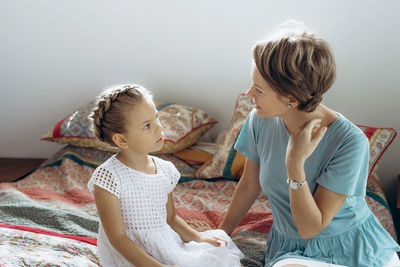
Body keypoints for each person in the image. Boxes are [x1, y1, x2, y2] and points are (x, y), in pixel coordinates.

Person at [218, 21, 400, 267]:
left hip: (351, 251)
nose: (249, 94)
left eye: (259, 90)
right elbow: (249, 184)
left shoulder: (350, 142)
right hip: (289, 249)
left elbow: (310, 228)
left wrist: (295, 164)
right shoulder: (259, 120)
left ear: (291, 98)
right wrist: (220, 234)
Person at [88, 84, 244, 267]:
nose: (159, 128)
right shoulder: (108, 177)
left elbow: (171, 218)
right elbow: (118, 239)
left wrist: (198, 237)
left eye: (156, 118)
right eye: (147, 126)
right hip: (133, 257)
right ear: (121, 140)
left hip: (166, 245)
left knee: (218, 248)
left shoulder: (165, 170)